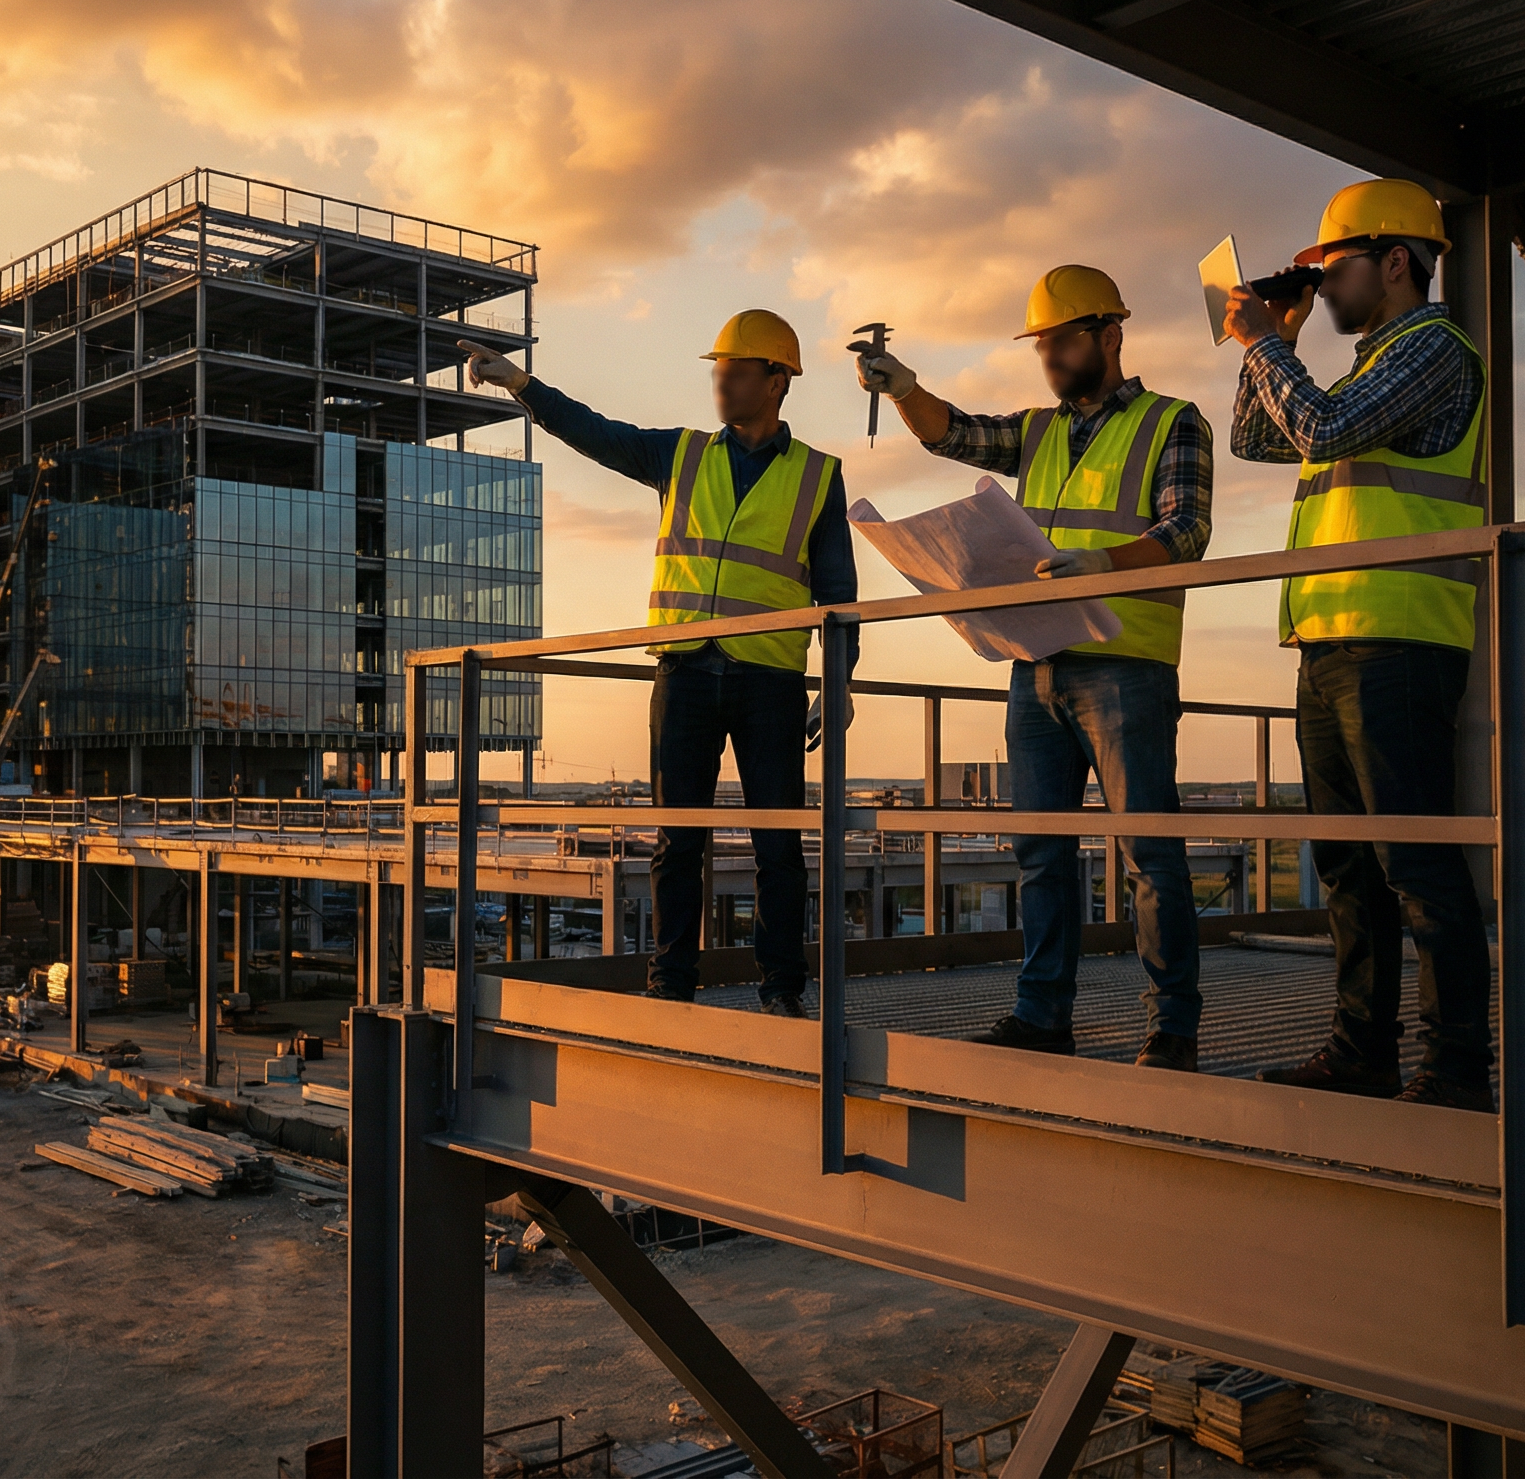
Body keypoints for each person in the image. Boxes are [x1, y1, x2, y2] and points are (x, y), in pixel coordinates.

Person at [860, 266, 1211, 1070]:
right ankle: (1042, 1015)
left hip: (1127, 666)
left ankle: (1173, 1030)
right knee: (1039, 852)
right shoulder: (1040, 431)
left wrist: (1105, 563)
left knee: (1149, 853)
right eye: (1042, 343)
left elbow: (1188, 530)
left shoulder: (1172, 422)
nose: (1048, 355)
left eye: (1061, 339)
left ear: (1110, 336)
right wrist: (906, 388)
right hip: (1037, 667)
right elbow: (958, 434)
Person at [457, 312, 857, 1016]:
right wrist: (520, 383)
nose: (720, 381)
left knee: (779, 846)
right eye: (717, 369)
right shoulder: (682, 454)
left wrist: (840, 682)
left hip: (770, 680)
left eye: (735, 370)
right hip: (685, 672)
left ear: (777, 381)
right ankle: (671, 981)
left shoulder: (820, 477)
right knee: (677, 841)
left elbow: (839, 596)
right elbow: (595, 432)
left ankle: (782, 988)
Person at [1226, 178, 1493, 1112]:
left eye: (1332, 269)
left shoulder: (1434, 353)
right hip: (1330, 642)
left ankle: (1456, 1072)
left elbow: (1324, 427)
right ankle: (1362, 1051)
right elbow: (1259, 438)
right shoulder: (1361, 366)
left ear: (1395, 263)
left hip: (1400, 644)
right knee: (1346, 863)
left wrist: (1265, 341)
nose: (1323, 284)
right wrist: (1279, 340)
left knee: (1414, 865)